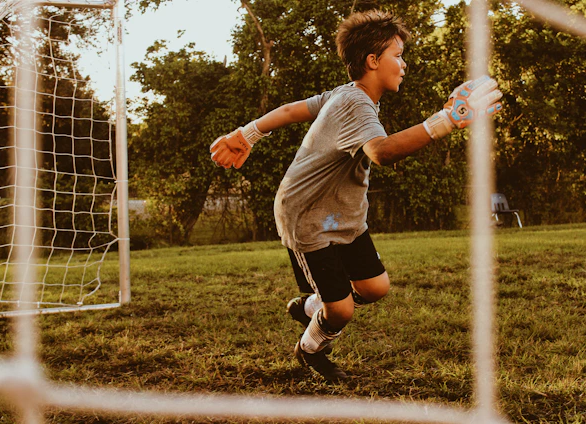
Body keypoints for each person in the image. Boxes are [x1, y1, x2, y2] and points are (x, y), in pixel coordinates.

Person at [210, 9, 502, 381]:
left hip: (342, 216)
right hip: (309, 219)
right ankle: (311, 347)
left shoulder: (346, 94)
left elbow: (289, 110)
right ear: (372, 60)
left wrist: (246, 134)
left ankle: (313, 304)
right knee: (342, 311)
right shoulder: (354, 103)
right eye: (398, 55)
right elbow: (381, 152)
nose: (404, 64)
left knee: (375, 288)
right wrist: (446, 120)